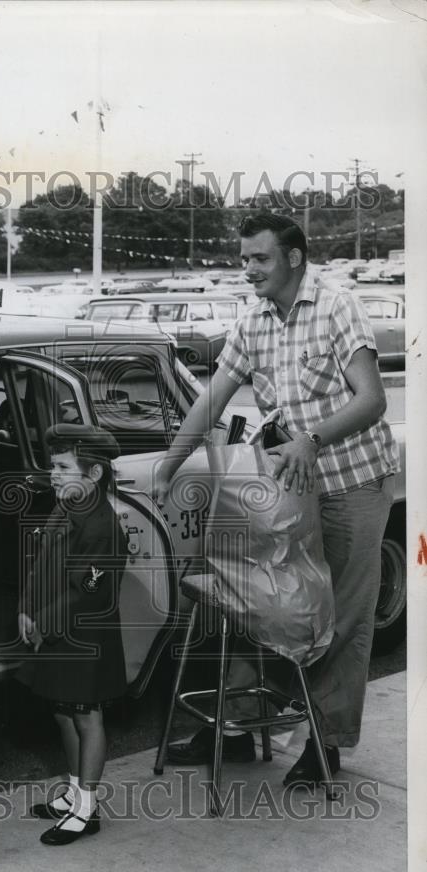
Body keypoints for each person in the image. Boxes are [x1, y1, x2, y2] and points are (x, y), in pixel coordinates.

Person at [154, 212, 399, 783]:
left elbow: (372, 400)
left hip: (354, 481)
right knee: (254, 602)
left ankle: (326, 742)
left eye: (258, 259)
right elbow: (211, 398)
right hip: (290, 491)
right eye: (243, 259)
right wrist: (170, 463)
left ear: (293, 258)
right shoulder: (254, 321)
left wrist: (312, 440)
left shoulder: (338, 307)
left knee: (336, 614)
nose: (248, 270)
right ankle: (238, 728)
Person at [20, 424, 129, 845]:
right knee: (62, 710)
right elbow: (40, 563)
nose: (55, 473)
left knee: (86, 714)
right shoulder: (65, 508)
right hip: (54, 630)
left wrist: (44, 620)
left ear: (95, 474)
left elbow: (89, 589)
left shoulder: (102, 525)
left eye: (64, 466)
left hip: (84, 635)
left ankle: (87, 808)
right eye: (53, 465)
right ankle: (72, 792)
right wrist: (25, 609)